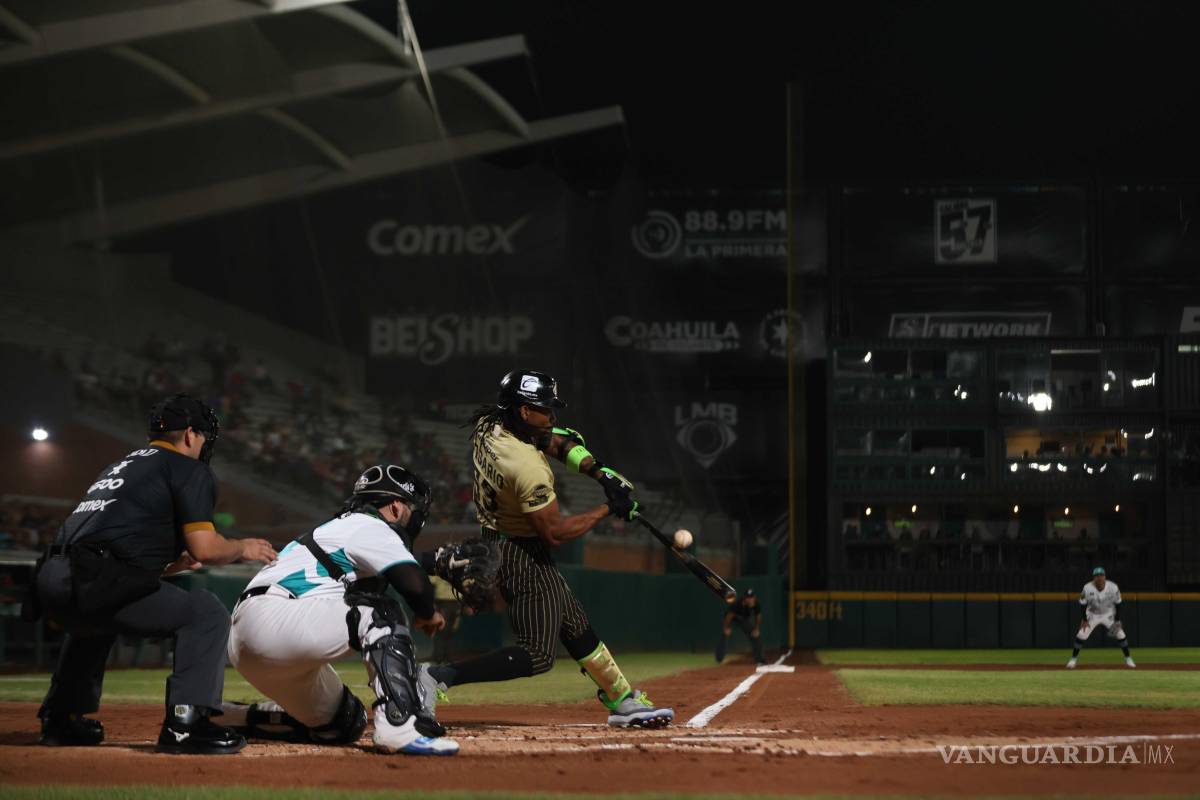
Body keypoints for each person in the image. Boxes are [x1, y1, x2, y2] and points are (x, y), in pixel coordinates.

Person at [421, 369, 674, 728]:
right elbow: (555, 533)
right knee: (537, 655)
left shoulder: (492, 424)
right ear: (524, 412)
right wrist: (610, 508)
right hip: (520, 552)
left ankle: (621, 699)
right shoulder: (524, 466)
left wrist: (601, 474)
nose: (553, 416)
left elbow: (557, 440)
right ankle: (438, 676)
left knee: (575, 625)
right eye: (545, 409)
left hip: (502, 538)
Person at [27, 393, 278, 754]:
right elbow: (205, 548)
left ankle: (60, 719)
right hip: (91, 577)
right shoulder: (187, 468)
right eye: (204, 437)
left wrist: (168, 566)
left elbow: (106, 543)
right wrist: (242, 547)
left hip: (52, 577)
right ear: (191, 434)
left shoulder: (121, 466)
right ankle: (186, 724)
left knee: (94, 619)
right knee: (205, 614)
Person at [224, 463, 458, 755]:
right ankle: (399, 726)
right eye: (414, 510)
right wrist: (428, 613)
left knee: (344, 723)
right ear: (396, 508)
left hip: (252, 639)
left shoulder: (348, 526)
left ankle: (225, 716)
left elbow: (378, 572)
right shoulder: (370, 525)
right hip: (274, 620)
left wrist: (432, 562)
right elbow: (414, 586)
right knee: (381, 612)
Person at [1067, 567, 1135, 669]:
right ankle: (1073, 659)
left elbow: (1118, 604)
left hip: (1108, 614)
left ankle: (1128, 658)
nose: (1099, 578)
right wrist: (1084, 620)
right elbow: (1082, 605)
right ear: (1093, 578)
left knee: (1120, 634)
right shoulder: (1087, 588)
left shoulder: (1113, 587)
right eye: (1096, 576)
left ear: (1105, 577)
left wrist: (1117, 620)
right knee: (1081, 635)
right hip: (1092, 614)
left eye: (1101, 575)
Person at [715, 589, 765, 665]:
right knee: (725, 635)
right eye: (748, 597)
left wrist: (756, 628)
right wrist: (726, 627)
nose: (750, 599)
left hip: (743, 620)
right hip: (731, 620)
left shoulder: (755, 604)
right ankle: (719, 659)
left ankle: (760, 659)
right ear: (745, 598)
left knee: (755, 635)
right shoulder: (737, 604)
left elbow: (758, 616)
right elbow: (729, 616)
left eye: (752, 597)